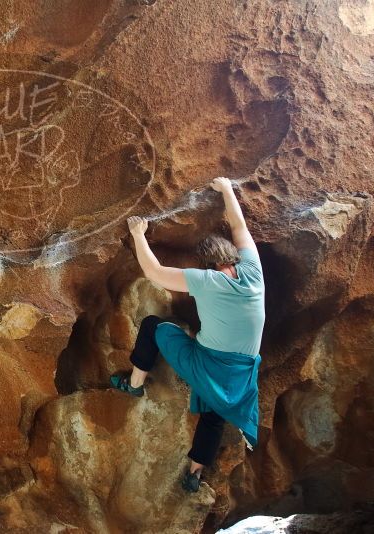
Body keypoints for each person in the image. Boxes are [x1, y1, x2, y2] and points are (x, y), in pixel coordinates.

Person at [110, 176, 265, 493]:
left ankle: (135, 385)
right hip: (241, 377)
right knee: (214, 414)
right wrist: (226, 190)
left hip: (208, 363)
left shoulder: (208, 281)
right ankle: (194, 475)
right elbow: (239, 227)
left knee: (155, 326)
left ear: (208, 264)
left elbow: (154, 272)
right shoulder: (253, 271)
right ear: (231, 257)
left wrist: (139, 235)